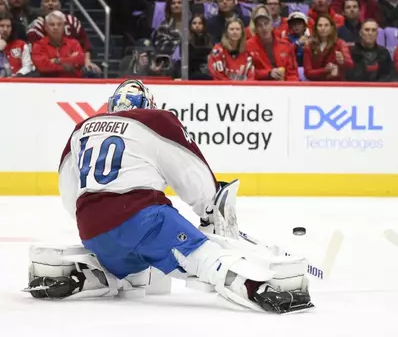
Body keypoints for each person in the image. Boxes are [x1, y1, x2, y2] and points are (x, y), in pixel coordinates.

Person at [25, 80, 313, 314]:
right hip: (143, 221)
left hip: (92, 230)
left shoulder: (82, 128)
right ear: (147, 104)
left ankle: (91, 278)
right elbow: (192, 172)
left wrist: (96, 219)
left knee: (135, 272)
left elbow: (68, 192)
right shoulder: (154, 120)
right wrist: (209, 211)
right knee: (203, 255)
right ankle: (257, 288)